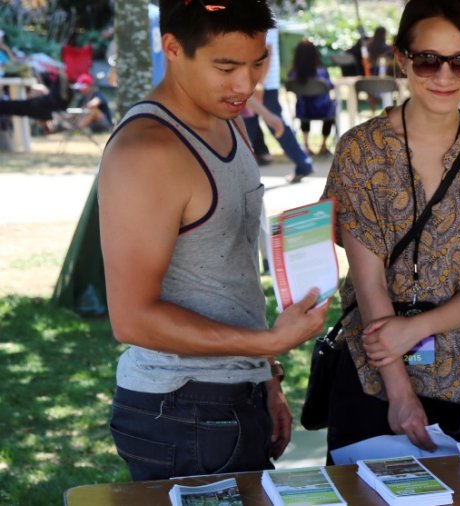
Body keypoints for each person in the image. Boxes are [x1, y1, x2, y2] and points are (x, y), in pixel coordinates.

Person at [99, 0, 330, 481]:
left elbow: (234, 276)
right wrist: (268, 342)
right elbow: (132, 318)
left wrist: (266, 375)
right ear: (173, 48)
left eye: (258, 62)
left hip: (235, 395)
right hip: (182, 410)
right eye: (226, 66)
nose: (245, 84)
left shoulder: (230, 117)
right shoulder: (149, 150)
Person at [322, 0, 460, 460]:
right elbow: (368, 280)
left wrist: (417, 328)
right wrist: (399, 392)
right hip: (372, 372)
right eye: (428, 60)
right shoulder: (360, 150)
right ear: (401, 58)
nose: (445, 76)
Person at [245, 26, 314, 183]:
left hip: (263, 85)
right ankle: (302, 163)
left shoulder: (262, 17)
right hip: (260, 83)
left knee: (274, 124)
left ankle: (303, 163)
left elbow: (266, 53)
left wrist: (259, 84)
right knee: (250, 124)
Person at [288, 39, 336, 156]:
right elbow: (330, 86)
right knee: (332, 107)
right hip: (323, 110)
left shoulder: (294, 73)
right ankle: (323, 146)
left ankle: (306, 146)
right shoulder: (321, 71)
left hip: (303, 111)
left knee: (304, 102)